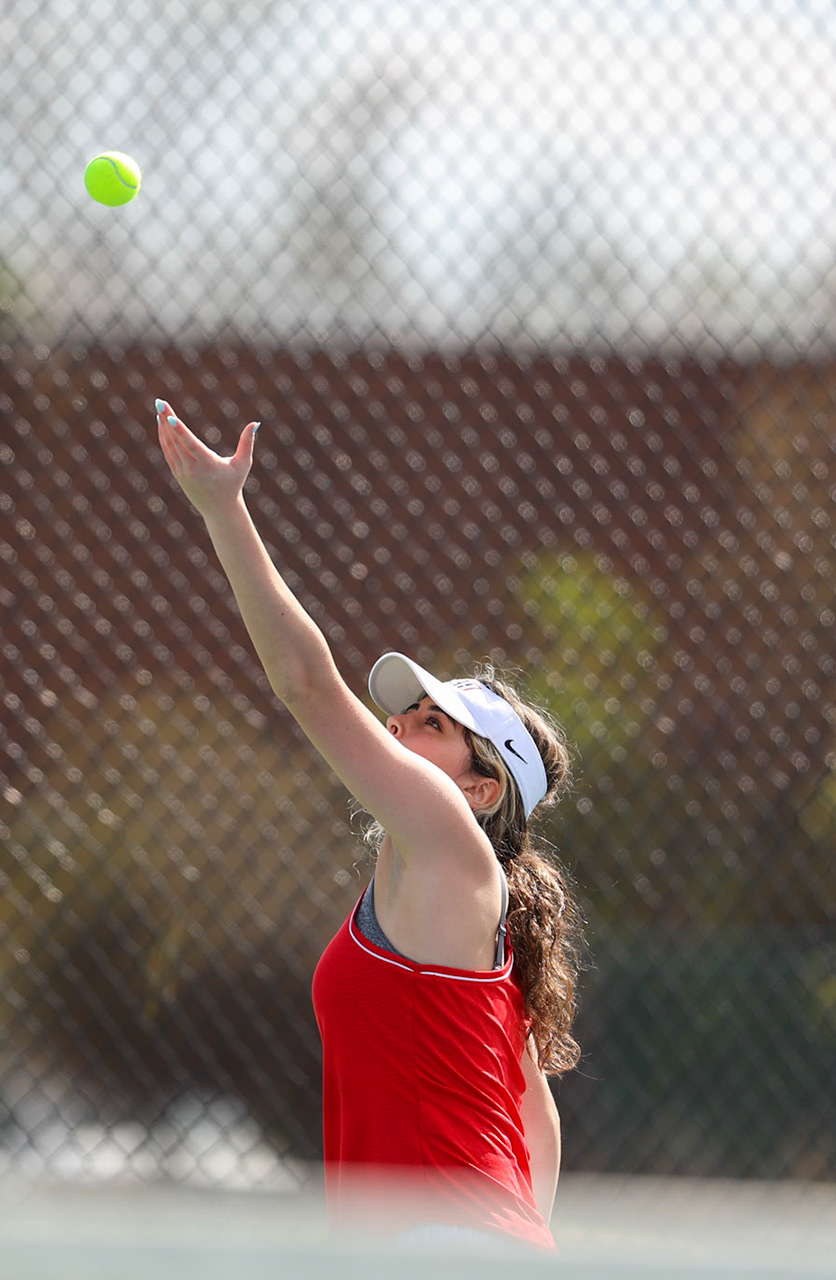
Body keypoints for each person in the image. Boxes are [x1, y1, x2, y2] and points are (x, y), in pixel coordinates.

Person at [154, 398, 583, 1251]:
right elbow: (534, 1116)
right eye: (406, 715)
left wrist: (223, 508)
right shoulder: (467, 918)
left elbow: (307, 685)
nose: (396, 728)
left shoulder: (451, 841)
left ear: (483, 790)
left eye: (431, 724)